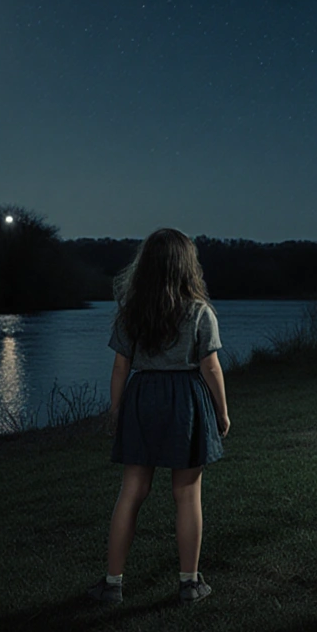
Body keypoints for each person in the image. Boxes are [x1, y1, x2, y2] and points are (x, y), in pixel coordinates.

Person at [87, 228, 230, 605]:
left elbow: (121, 368)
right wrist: (222, 411)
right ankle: (189, 584)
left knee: (132, 490)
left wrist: (116, 410)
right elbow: (211, 368)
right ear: (187, 267)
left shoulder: (131, 312)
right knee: (186, 493)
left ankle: (113, 584)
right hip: (186, 400)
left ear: (145, 267)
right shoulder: (200, 312)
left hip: (142, 398)